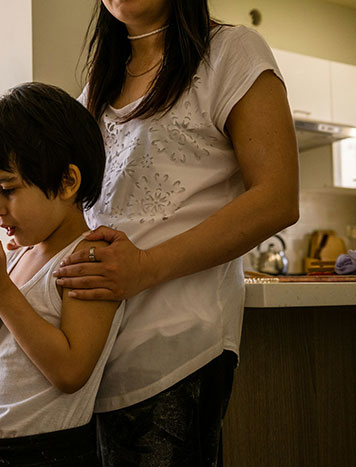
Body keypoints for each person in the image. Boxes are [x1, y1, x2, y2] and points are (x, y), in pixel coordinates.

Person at [50, 1, 300, 466]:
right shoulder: (96, 86)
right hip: (93, 354)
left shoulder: (232, 51)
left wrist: (145, 267)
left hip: (177, 347)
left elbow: (277, 198)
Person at [0, 82, 126, 466]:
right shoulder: (16, 259)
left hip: (50, 456)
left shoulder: (89, 258)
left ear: (66, 182)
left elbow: (70, 372)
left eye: (7, 188)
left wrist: (2, 292)